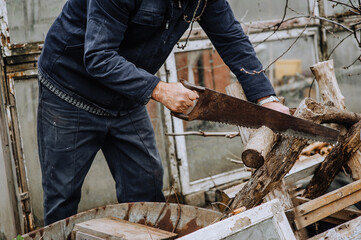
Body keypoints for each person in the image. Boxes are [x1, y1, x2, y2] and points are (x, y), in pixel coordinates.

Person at [37, 0, 289, 225]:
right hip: (69, 93)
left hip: (125, 98)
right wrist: (159, 88)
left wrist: (265, 98)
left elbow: (231, 38)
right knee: (63, 200)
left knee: (146, 190)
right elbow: (99, 56)